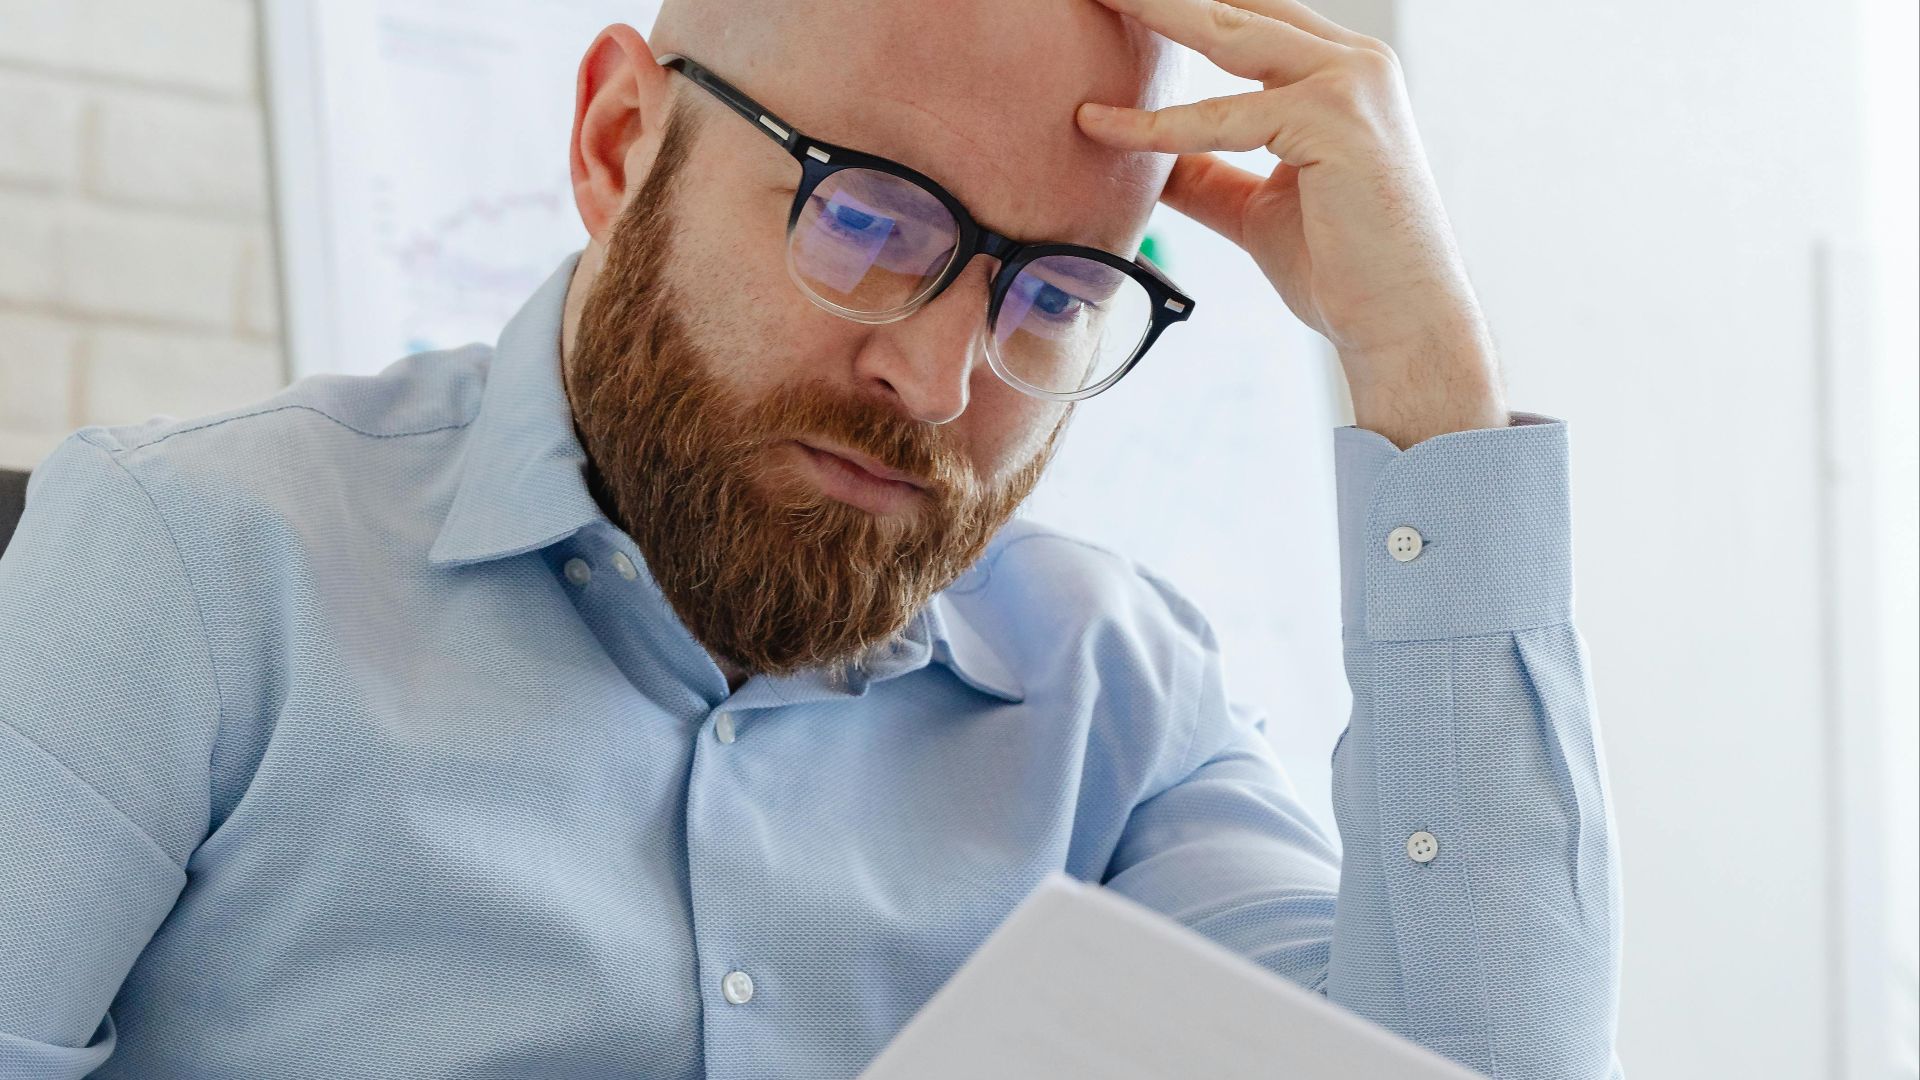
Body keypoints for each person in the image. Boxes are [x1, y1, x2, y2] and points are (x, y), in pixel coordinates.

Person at [0, 0, 1623, 1077]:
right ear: (620, 144)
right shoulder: (191, 562)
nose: (937, 376)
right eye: (866, 217)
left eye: (1053, 295)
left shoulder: (1119, 703)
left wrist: (1426, 384)